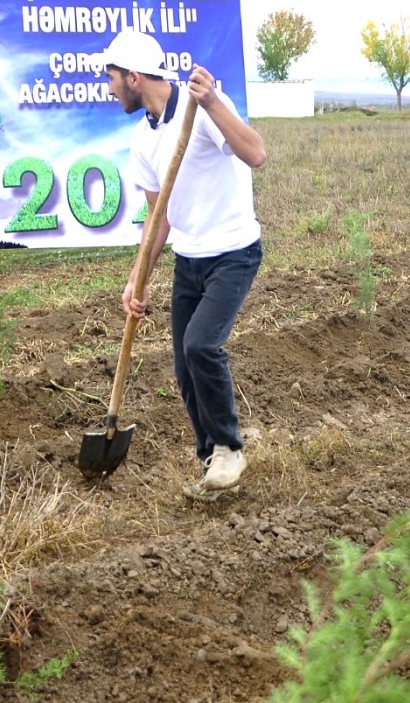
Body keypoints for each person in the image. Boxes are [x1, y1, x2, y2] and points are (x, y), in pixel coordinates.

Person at [101, 28, 268, 501]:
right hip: (189, 260)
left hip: (233, 252)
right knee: (182, 366)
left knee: (200, 346)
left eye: (112, 77)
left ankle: (231, 448)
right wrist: (138, 279)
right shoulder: (142, 138)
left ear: (134, 77)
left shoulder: (205, 109)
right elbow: (159, 217)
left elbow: (256, 154)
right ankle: (211, 458)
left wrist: (214, 103)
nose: (109, 87)